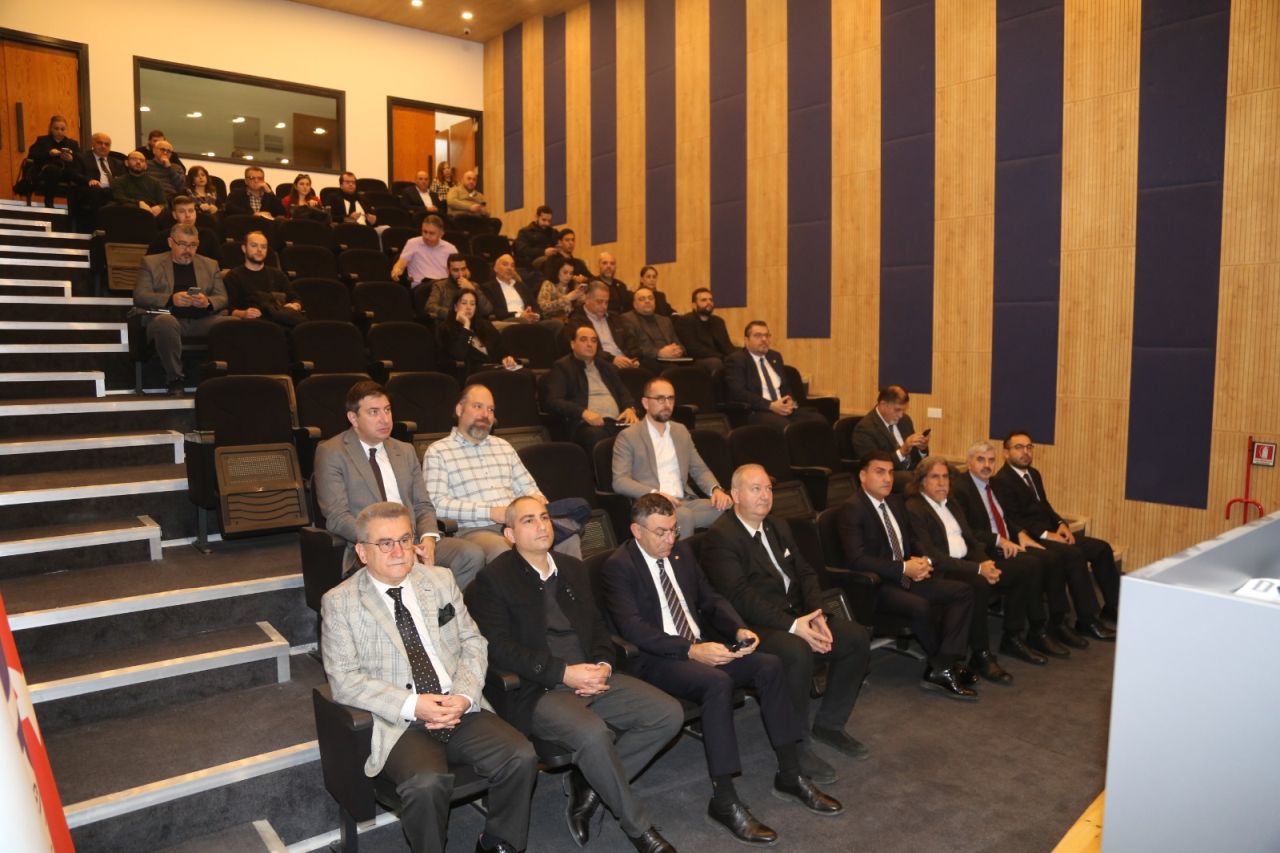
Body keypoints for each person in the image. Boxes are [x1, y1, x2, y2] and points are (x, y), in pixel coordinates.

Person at [601, 495, 843, 846]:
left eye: (674, 530)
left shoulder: (681, 554)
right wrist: (690, 650)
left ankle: (791, 773)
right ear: (636, 531)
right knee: (717, 684)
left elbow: (711, 598)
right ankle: (724, 800)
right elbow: (633, 628)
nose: (670, 539)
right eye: (660, 532)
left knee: (770, 665)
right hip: (657, 659)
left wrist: (738, 628)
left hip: (699, 645)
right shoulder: (619, 566)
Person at [465, 496, 681, 853]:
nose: (542, 526)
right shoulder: (493, 579)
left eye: (544, 517)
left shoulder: (572, 568)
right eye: (529, 520)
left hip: (592, 676)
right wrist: (563, 673)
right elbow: (498, 649)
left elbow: (597, 628)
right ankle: (639, 828)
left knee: (667, 714)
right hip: (540, 688)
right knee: (594, 734)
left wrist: (604, 664)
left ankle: (589, 783)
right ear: (509, 534)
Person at [320, 502, 536, 853]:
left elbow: (473, 642)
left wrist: (463, 697)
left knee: (521, 755)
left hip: (457, 706)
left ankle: (498, 842)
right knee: (426, 783)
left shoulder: (439, 580)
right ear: (362, 552)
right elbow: (344, 680)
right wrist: (414, 704)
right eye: (385, 543)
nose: (398, 551)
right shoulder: (340, 602)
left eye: (405, 539)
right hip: (399, 721)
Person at [702, 464, 872, 783]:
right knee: (796, 651)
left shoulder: (777, 525)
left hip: (797, 615)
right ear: (735, 494)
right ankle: (796, 744)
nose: (765, 495)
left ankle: (830, 724)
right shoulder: (720, 537)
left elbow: (805, 572)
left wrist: (817, 615)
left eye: (768, 488)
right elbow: (740, 597)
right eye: (756, 489)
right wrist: (795, 626)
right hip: (753, 626)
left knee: (855, 637)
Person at [314, 380, 486, 588]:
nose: (384, 419)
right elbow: (337, 517)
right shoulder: (332, 452)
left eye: (387, 410)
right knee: (400, 567)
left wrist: (428, 539)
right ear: (353, 418)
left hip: (413, 540)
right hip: (372, 547)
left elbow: (423, 505)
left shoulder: (404, 451)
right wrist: (390, 543)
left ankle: (442, 607)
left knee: (471, 555)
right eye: (374, 412)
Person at [838, 451, 978, 700]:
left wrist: (924, 560)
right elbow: (856, 560)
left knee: (963, 591)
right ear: (862, 475)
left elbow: (912, 540)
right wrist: (903, 568)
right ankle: (944, 668)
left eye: (890, 472)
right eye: (879, 472)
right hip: (877, 586)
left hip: (906, 577)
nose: (887, 478)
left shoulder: (894, 502)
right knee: (920, 606)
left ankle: (943, 664)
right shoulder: (852, 508)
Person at [905, 457, 1033, 684]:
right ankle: (981, 654)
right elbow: (934, 556)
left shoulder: (951, 503)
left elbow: (971, 540)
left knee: (1021, 571)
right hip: (943, 570)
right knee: (978, 585)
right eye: (935, 477)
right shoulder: (915, 507)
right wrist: (978, 569)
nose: (942, 482)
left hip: (968, 563)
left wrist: (986, 563)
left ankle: (1012, 637)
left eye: (945, 477)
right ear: (922, 481)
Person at [424, 384, 583, 563]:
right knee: (505, 551)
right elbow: (436, 505)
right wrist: (490, 512)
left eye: (490, 409)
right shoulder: (438, 451)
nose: (485, 414)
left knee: (568, 539)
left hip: (519, 523)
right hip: (476, 529)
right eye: (478, 406)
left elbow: (529, 488)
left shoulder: (503, 447)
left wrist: (536, 498)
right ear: (460, 409)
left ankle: (566, 582)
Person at [949, 441, 1075, 659]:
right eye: (980, 460)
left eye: (991, 460)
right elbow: (967, 530)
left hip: (1007, 542)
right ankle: (1022, 634)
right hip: (984, 551)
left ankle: (1051, 625)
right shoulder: (960, 489)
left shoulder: (993, 484)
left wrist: (1020, 533)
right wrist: (999, 540)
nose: (987, 465)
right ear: (969, 463)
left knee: (1050, 559)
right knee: (1031, 566)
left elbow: (1006, 518)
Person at [992, 431, 1119, 641]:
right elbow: (1012, 519)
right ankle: (1087, 620)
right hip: (1030, 537)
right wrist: (1046, 534)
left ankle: (1113, 607)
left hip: (1050, 531)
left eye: (1029, 447)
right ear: (1006, 453)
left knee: (1101, 548)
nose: (1025, 452)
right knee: (1074, 554)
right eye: (1019, 447)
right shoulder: (1001, 481)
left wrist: (1061, 524)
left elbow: (1045, 506)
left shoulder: (1033, 474)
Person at [611, 377, 732, 537]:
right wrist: (655, 493)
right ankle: (681, 553)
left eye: (670, 398)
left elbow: (699, 469)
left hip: (684, 501)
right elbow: (620, 481)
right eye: (660, 399)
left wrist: (715, 490)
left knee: (730, 507)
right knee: (684, 517)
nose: (667, 404)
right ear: (645, 403)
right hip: (652, 507)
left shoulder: (680, 431)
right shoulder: (628, 436)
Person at [132, 224, 228, 394]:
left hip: (201, 320)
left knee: (233, 323)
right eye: (182, 244)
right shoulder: (151, 262)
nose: (188, 250)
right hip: (165, 318)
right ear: (171, 242)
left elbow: (222, 298)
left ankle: (225, 377)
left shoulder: (210, 264)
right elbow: (140, 296)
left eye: (193, 245)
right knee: (166, 322)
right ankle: (175, 379)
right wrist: (171, 299)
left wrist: (207, 302)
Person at [544, 325, 640, 454]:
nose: (590, 344)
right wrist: (583, 412)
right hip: (585, 424)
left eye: (594, 340)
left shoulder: (606, 367)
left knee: (644, 431)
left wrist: (630, 409)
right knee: (597, 436)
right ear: (573, 344)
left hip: (617, 422)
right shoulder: (562, 367)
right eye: (584, 339)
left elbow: (624, 394)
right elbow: (553, 401)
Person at [722, 321, 828, 432]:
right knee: (787, 427)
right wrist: (770, 405)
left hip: (782, 409)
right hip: (757, 411)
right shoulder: (736, 359)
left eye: (767, 335)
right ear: (746, 340)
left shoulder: (775, 356)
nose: (764, 339)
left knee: (819, 421)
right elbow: (738, 393)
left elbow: (785, 386)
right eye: (758, 336)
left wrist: (790, 402)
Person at [851, 385, 930, 487]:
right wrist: (902, 452)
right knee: (923, 479)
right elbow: (874, 467)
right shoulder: (865, 429)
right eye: (897, 410)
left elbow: (916, 458)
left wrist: (922, 449)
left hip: (911, 472)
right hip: (888, 476)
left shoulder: (905, 420)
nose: (901, 415)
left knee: (942, 472)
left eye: (903, 410)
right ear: (883, 405)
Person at [223, 230, 306, 326]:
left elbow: (295, 298)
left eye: (263, 247)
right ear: (244, 248)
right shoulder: (233, 276)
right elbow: (229, 309)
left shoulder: (278, 275)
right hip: (249, 325)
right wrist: (244, 313)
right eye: (254, 246)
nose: (259, 250)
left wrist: (295, 306)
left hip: (279, 323)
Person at [565, 282, 641, 369]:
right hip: (601, 364)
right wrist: (612, 359)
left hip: (625, 362)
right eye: (599, 302)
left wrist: (635, 359)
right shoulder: (576, 321)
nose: (604, 306)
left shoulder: (615, 318)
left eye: (606, 302)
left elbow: (630, 341)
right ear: (587, 299)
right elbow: (584, 349)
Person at [438, 290, 515, 375]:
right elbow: (459, 355)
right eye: (464, 303)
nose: (468, 307)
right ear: (455, 307)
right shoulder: (446, 329)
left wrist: (506, 358)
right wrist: (466, 326)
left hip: (497, 371)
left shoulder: (485, 325)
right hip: (472, 375)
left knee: (523, 373)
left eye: (472, 304)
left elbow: (501, 351)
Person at [619, 286, 686, 373]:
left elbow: (678, 344)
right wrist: (659, 353)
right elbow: (633, 348)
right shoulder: (627, 319)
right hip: (648, 361)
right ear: (634, 304)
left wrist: (678, 350)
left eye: (650, 298)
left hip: (672, 360)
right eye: (642, 299)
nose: (647, 301)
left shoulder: (665, 320)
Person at [19, 115, 79, 204]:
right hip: (46, 171)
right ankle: (49, 202)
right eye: (56, 129)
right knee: (52, 170)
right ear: (51, 129)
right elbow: (32, 155)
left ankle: (76, 205)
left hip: (65, 171)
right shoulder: (42, 140)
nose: (59, 132)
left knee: (76, 174)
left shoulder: (73, 144)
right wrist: (49, 154)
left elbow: (80, 160)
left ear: (66, 130)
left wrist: (71, 159)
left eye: (62, 129)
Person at [674, 287, 735, 372]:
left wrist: (736, 356)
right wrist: (722, 357)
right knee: (716, 363)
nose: (709, 302)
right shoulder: (685, 321)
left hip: (720, 357)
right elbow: (693, 348)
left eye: (711, 300)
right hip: (697, 359)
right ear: (694, 305)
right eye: (704, 300)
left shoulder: (718, 321)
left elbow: (727, 345)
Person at [69, 132, 122, 229]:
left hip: (111, 190)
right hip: (91, 189)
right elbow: (74, 174)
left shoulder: (117, 163)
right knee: (96, 190)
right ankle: (98, 227)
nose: (103, 146)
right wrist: (89, 180)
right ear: (93, 144)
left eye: (106, 144)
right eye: (100, 143)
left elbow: (122, 179)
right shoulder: (81, 157)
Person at [391, 215, 457, 289]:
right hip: (421, 287)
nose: (427, 236)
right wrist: (396, 270)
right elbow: (401, 263)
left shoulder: (450, 249)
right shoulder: (412, 243)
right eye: (424, 232)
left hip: (443, 287)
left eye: (431, 233)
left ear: (441, 234)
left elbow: (459, 270)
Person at [424, 254, 493, 322]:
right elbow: (430, 307)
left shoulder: (473, 285)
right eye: (456, 270)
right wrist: (456, 314)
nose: (461, 274)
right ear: (448, 270)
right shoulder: (440, 286)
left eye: (463, 269)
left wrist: (473, 290)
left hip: (474, 324)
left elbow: (487, 310)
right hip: (450, 324)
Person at [147, 196, 219, 260]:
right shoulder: (162, 238)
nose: (187, 215)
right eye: (182, 211)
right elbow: (150, 263)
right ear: (174, 215)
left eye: (191, 211)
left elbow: (219, 264)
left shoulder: (208, 235)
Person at [478, 254, 540, 323]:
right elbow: (495, 311)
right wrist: (519, 315)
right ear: (495, 268)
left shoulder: (521, 286)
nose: (509, 268)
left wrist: (534, 315)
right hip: (507, 321)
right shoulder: (488, 287)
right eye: (505, 264)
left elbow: (535, 305)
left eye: (512, 266)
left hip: (528, 320)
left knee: (550, 324)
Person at [112, 151, 167, 216]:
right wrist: (139, 203)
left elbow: (164, 203)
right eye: (134, 159)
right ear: (126, 163)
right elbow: (119, 198)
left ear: (146, 166)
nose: (138, 162)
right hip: (130, 212)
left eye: (142, 160)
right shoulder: (119, 181)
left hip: (153, 213)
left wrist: (160, 207)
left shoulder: (155, 182)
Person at [512, 205, 558, 271]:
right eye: (544, 220)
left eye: (549, 221)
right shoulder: (525, 232)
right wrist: (543, 252)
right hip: (531, 263)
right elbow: (522, 250)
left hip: (550, 260)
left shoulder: (553, 232)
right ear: (537, 217)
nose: (547, 223)